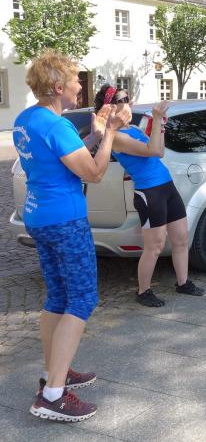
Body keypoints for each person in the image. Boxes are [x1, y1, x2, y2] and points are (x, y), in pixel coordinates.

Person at [14, 50, 130, 422]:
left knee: (58, 296)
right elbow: (93, 173)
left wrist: (94, 134)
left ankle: (55, 372)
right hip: (65, 220)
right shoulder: (56, 126)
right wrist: (111, 133)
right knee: (82, 299)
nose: (81, 85)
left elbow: (63, 155)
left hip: (39, 216)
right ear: (58, 87)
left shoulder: (26, 119)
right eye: (76, 80)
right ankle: (52, 395)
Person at [93, 85, 205, 307]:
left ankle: (183, 283)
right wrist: (156, 119)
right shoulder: (116, 137)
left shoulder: (134, 128)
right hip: (149, 192)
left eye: (128, 98)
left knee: (181, 238)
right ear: (111, 107)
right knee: (155, 246)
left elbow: (159, 151)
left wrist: (159, 124)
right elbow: (152, 150)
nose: (129, 103)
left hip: (167, 186)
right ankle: (143, 291)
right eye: (123, 99)